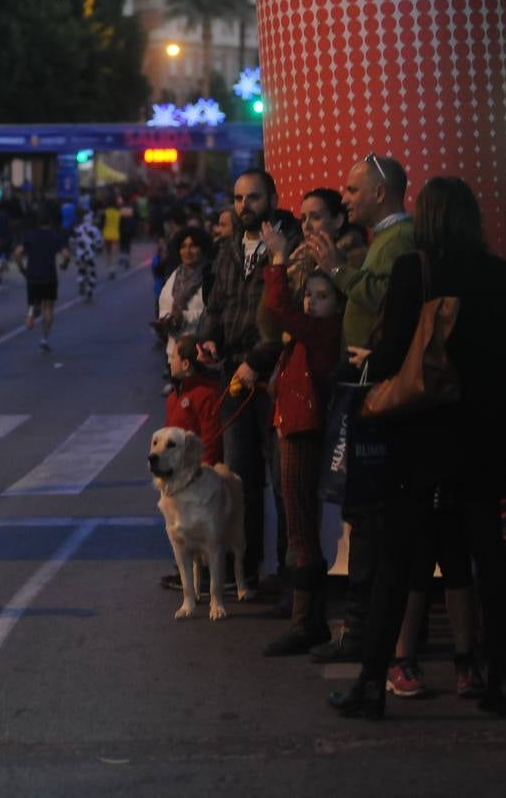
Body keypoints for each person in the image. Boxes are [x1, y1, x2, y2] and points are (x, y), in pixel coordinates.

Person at [328, 176, 506, 721]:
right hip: (486, 435)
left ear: (429, 219)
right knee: (489, 556)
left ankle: (371, 684)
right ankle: (500, 681)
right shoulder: (499, 272)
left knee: (399, 559)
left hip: (423, 437)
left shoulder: (413, 270)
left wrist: (366, 358)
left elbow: (393, 356)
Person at [305, 154, 416, 664]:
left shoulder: (398, 241)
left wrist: (336, 271)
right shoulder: (384, 241)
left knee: (371, 519)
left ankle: (367, 638)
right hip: (362, 386)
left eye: (351, 191)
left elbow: (375, 297)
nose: (343, 199)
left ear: (380, 193)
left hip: (378, 391)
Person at [258, 216, 345, 657]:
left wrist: (276, 259)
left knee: (300, 528)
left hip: (302, 430)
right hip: (295, 425)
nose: (312, 303)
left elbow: (277, 308)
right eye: (309, 296)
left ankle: (306, 622)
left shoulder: (325, 333)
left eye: (323, 296)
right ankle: (307, 619)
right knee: (301, 526)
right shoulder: (313, 332)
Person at [196, 169, 285, 593]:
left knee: (283, 479)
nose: (243, 206)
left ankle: (289, 576)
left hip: (273, 377)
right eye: (237, 198)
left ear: (271, 198)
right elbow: (215, 307)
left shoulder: (288, 245)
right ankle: (243, 572)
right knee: (240, 481)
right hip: (232, 376)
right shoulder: (229, 249)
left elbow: (284, 317)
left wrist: (256, 361)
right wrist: (207, 341)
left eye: (253, 198)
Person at [155, 227, 214, 374]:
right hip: (174, 355)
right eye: (183, 246)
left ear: (202, 248)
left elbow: (212, 313)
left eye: (193, 246)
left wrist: (184, 317)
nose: (187, 251)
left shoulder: (211, 276)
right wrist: (165, 320)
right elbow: (164, 304)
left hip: (200, 355)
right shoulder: (174, 277)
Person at [15, 211, 71, 352]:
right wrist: (64, 265)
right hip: (49, 276)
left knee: (33, 302)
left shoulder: (31, 237)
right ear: (50, 224)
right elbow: (66, 254)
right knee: (48, 308)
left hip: (33, 275)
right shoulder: (54, 237)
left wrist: (22, 268)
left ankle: (29, 316)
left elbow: (17, 253)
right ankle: (44, 339)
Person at [164, 335, 223, 466]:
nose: (169, 361)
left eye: (173, 357)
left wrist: (203, 471)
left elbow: (211, 440)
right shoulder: (173, 398)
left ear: (185, 364)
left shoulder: (206, 395)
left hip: (195, 475)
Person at [70, 208, 105, 304]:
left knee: (81, 270)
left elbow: (72, 241)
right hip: (90, 254)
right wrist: (99, 249)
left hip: (80, 254)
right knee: (92, 271)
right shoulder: (95, 230)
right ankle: (89, 288)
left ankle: (81, 281)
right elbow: (99, 242)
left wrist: (73, 251)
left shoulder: (77, 228)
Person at [102, 198, 122, 279]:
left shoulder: (105, 212)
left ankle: (109, 268)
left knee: (108, 252)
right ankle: (113, 269)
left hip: (106, 233)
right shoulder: (118, 213)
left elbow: (102, 223)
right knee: (114, 252)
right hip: (115, 234)